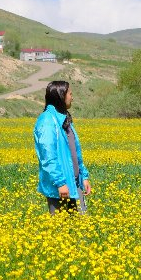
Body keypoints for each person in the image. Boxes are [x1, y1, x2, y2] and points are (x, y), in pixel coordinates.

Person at [34, 81, 91, 215]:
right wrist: (60, 183)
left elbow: (75, 152)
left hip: (74, 183)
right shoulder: (47, 121)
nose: (72, 97)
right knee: (62, 228)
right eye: (70, 94)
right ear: (61, 96)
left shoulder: (64, 119)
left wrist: (84, 176)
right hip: (60, 188)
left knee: (80, 225)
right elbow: (48, 157)